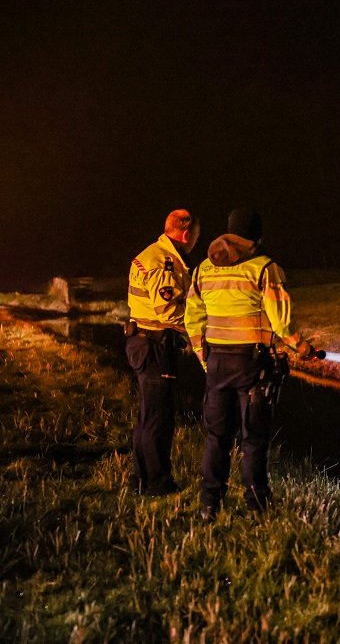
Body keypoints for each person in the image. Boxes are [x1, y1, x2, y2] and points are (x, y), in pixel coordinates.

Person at [185, 208, 322, 521]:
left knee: (217, 437)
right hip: (252, 366)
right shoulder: (264, 268)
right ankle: (256, 508)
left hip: (216, 363)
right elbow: (282, 324)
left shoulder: (204, 269)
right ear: (256, 236)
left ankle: (209, 507)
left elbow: (192, 317)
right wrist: (305, 349)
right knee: (254, 439)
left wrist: (201, 355)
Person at [125, 209, 201, 496]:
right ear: (185, 234)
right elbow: (168, 310)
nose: (195, 242)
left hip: (144, 341)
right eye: (195, 236)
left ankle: (141, 479)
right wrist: (197, 328)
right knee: (159, 418)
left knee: (148, 416)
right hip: (155, 346)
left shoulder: (151, 254)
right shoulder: (164, 262)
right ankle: (158, 484)